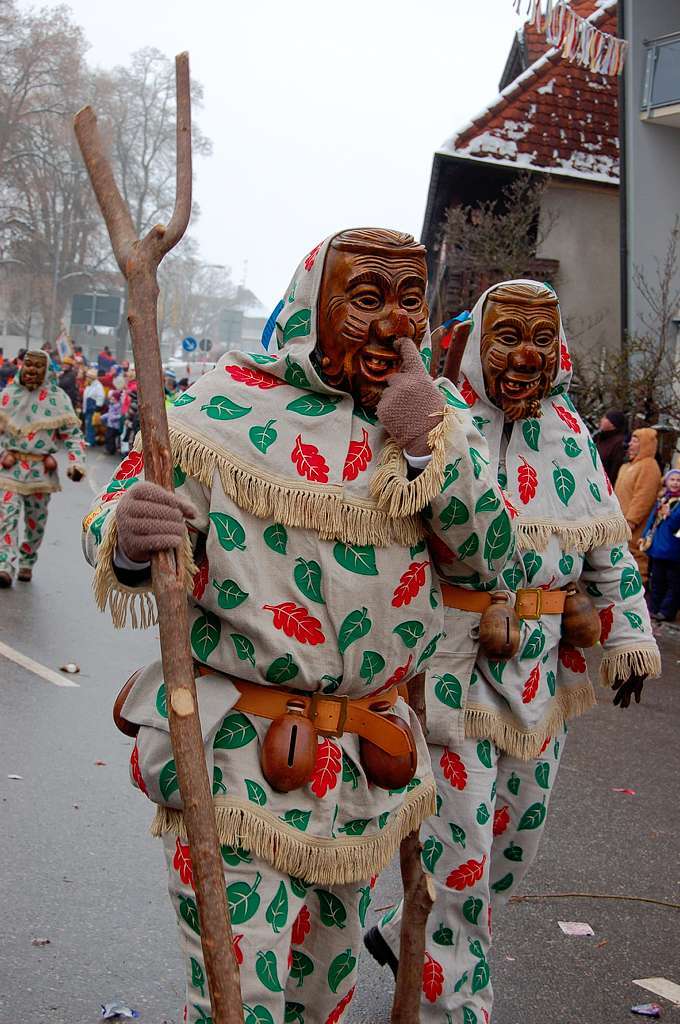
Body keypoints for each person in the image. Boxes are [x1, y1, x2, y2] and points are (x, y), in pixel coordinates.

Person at [82, 228, 516, 1023]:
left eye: (409, 299)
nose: (392, 322)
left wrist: (428, 451)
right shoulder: (221, 405)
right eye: (366, 298)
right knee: (237, 1003)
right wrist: (131, 532)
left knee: (324, 998)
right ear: (313, 307)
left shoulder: (434, 418)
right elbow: (112, 517)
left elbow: (492, 560)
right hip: (240, 765)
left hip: (365, 773)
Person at [365, 280, 660, 1022]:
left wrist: (627, 636)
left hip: (541, 675)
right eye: (507, 336)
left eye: (541, 336)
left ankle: (414, 942)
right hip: (452, 671)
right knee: (458, 861)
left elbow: (608, 551)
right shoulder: (441, 416)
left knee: (509, 848)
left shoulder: (570, 434)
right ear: (475, 345)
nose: (526, 354)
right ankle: (455, 1006)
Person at [0, 350, 85, 585]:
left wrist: (77, 463)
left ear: (47, 370)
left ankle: (27, 561)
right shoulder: (8, 395)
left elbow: (73, 435)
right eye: (28, 365)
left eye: (38, 367)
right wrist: (2, 453)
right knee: (6, 516)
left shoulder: (58, 399)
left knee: (35, 522)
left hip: (40, 471)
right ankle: (4, 565)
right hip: (10, 468)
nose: (31, 371)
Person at [615, 428, 662, 583]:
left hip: (634, 526)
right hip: (618, 522)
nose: (630, 444)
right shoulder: (626, 467)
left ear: (646, 444)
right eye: (632, 440)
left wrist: (631, 521)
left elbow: (644, 497)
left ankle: (639, 586)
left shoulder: (649, 466)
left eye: (636, 441)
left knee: (635, 554)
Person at [642, 468, 680, 623]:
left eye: (678, 480)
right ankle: (654, 608)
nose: (675, 483)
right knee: (656, 580)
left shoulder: (676, 504)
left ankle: (667, 611)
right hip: (658, 547)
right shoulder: (662, 499)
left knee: (673, 582)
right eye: (673, 479)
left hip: (674, 550)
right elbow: (652, 520)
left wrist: (669, 514)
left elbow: (674, 525)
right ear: (666, 481)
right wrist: (645, 536)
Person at [595, 408, 627, 486]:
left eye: (605, 418)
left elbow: (614, 470)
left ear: (613, 423)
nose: (602, 420)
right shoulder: (601, 438)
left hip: (605, 486)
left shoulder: (618, 443)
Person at [83, 369, 105, 446]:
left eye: (88, 377)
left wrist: (97, 407)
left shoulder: (98, 386)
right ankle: (89, 439)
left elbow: (101, 397)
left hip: (93, 408)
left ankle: (90, 441)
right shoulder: (89, 385)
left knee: (91, 425)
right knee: (88, 424)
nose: (86, 378)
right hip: (88, 407)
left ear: (91, 378)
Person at [103, 390, 123, 455]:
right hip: (110, 424)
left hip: (114, 425)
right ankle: (109, 449)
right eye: (111, 398)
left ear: (116, 399)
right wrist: (103, 416)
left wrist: (113, 417)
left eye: (113, 399)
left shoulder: (118, 406)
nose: (111, 400)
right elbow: (109, 414)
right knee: (108, 437)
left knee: (111, 438)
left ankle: (111, 450)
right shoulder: (112, 405)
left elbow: (120, 415)